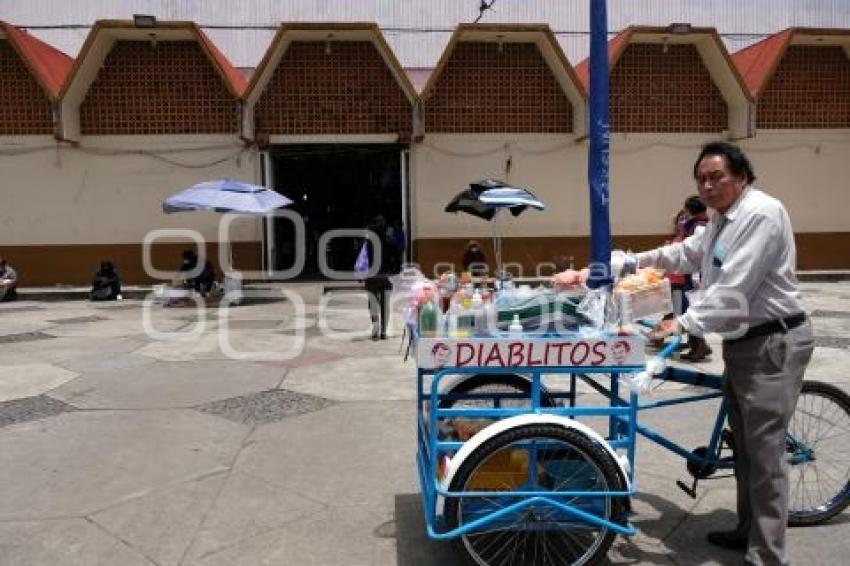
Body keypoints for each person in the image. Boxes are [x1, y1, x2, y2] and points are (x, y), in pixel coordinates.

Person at [631, 142, 814, 566]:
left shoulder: (761, 214)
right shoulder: (719, 220)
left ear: (742, 177)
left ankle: (766, 555)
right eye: (701, 178)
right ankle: (747, 530)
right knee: (745, 449)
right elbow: (684, 253)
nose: (708, 185)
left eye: (717, 177)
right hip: (743, 342)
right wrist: (628, 262)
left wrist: (684, 324)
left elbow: (734, 288)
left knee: (766, 456)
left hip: (773, 342)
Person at [668, 195, 711, 361]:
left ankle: (700, 346)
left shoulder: (699, 228)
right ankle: (697, 345)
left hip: (696, 276)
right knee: (689, 308)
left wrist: (695, 277)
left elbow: (698, 255)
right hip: (693, 274)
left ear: (690, 210)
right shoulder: (699, 224)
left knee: (692, 309)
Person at [362, 215, 398, 340]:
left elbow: (362, 259)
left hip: (371, 276)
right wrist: (395, 272)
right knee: (385, 304)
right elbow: (397, 262)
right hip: (386, 276)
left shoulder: (368, 241)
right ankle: (383, 331)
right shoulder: (391, 241)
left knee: (372, 301)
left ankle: (375, 323)